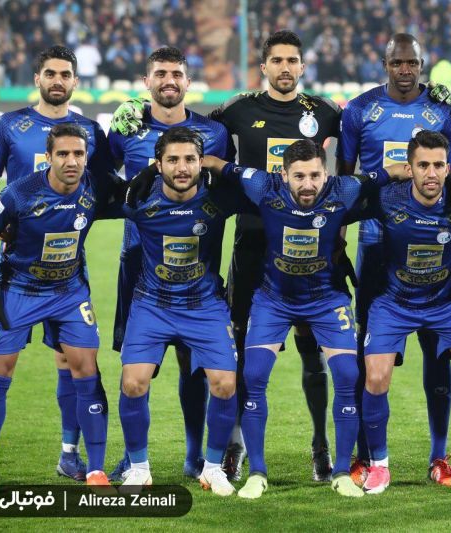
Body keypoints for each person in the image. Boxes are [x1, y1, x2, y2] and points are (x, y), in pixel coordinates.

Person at [110, 30, 342, 482]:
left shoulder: (325, 113)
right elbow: (172, 137)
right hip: (238, 247)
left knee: (310, 350)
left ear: (302, 65)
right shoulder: (234, 112)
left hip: (305, 247)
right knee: (225, 353)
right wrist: (136, 108)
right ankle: (224, 447)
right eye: (277, 60)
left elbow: (351, 156)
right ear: (263, 66)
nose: (285, 68)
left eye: (292, 60)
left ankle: (318, 444)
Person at [196, 140, 408, 499]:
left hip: (326, 300)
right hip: (274, 300)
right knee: (253, 375)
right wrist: (193, 162)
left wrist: (424, 174)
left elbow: (389, 173)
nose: (308, 184)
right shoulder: (263, 186)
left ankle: (341, 473)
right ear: (284, 175)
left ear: (326, 174)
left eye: (314, 175)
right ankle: (257, 472)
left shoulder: (344, 188)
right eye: (299, 177)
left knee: (347, 375)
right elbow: (221, 165)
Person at [0, 45, 113, 485]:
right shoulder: (10, 125)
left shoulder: (90, 130)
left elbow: (104, 185)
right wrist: (4, 223)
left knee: (73, 361)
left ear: (75, 81)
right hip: (19, 266)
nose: (58, 80)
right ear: (38, 78)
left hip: (68, 272)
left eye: (66, 74)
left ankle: (72, 454)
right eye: (51, 73)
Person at [337, 33, 451, 487]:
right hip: (376, 245)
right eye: (397, 62)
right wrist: (338, 243)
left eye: (412, 63)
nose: (405, 70)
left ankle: (439, 456)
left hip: (433, 244)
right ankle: (366, 454)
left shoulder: (443, 110)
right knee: (369, 355)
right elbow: (344, 182)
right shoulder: (360, 110)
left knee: (437, 350)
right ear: (385, 63)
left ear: (422, 64)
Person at [106, 46, 234, 482]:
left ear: (187, 81)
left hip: (198, 266)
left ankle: (196, 456)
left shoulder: (213, 133)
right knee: (134, 368)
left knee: (193, 365)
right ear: (147, 81)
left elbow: (227, 183)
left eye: (176, 74)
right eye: (160, 73)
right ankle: (133, 459)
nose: (169, 81)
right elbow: (102, 179)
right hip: (138, 262)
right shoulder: (127, 127)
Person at [360, 131, 451, 495]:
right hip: (394, 302)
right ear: (409, 169)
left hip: (445, 303)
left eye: (438, 165)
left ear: (448, 168)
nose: (431, 173)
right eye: (422, 165)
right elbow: (343, 199)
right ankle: (379, 467)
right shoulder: (388, 199)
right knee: (376, 378)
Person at [117, 127, 247, 495]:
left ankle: (212, 469)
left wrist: (226, 170)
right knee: (133, 382)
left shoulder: (219, 198)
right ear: (158, 164)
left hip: (204, 305)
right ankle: (139, 469)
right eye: (172, 160)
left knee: (225, 383)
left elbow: (270, 194)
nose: (182, 167)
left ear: (201, 162)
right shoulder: (139, 198)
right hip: (152, 304)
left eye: (190, 159)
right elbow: (87, 201)